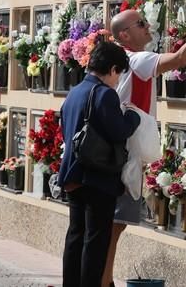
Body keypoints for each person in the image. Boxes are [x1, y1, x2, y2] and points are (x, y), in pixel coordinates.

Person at [100, 0, 186, 287]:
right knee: (112, 228)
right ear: (125, 36)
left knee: (111, 227)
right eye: (141, 24)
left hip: (117, 151)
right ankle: (103, 281)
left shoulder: (116, 59)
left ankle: (104, 280)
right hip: (125, 154)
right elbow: (181, 58)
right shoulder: (136, 59)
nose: (148, 27)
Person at [58, 41, 141, 287]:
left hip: (73, 175)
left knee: (75, 236)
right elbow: (119, 132)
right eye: (119, 74)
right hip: (97, 178)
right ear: (113, 69)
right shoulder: (104, 94)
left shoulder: (75, 92)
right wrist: (132, 115)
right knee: (95, 242)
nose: (118, 80)